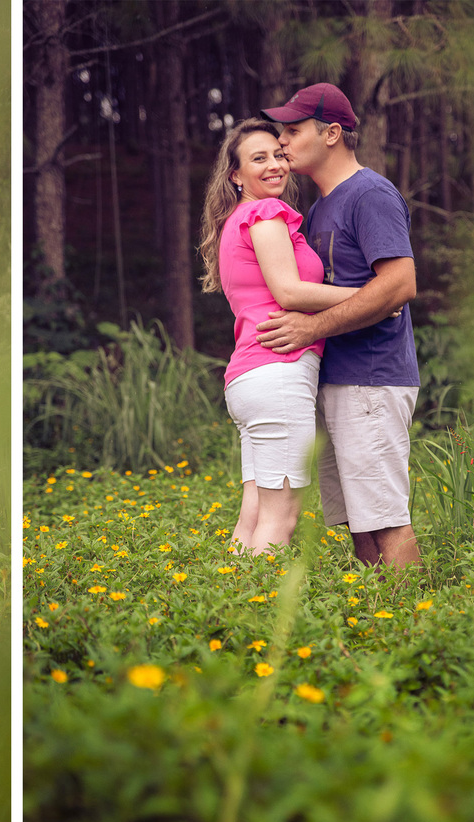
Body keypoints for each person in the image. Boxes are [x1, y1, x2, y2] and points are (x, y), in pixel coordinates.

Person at [256, 82, 423, 571]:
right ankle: (380, 628)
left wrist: (311, 330)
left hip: (372, 376)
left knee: (386, 518)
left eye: (292, 129)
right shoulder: (318, 208)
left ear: (331, 132)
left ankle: (420, 631)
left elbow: (399, 285)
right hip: (338, 378)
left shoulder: (370, 194)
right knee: (358, 520)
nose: (282, 141)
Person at [199, 119, 360, 556]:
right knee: (281, 517)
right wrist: (371, 296)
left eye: (277, 155)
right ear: (235, 175)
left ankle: (225, 605)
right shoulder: (265, 214)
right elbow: (289, 292)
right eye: (258, 159)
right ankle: (257, 614)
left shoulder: (237, 220)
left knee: (253, 511)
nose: (274, 165)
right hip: (279, 376)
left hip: (252, 379)